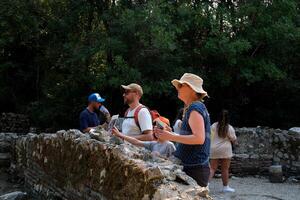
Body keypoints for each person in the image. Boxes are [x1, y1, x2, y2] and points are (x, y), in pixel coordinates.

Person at [154, 73, 211, 187]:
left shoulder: (195, 107)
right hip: (194, 167)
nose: (177, 88)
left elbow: (199, 139)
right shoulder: (194, 107)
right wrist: (169, 134)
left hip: (193, 168)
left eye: (181, 85)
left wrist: (170, 136)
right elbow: (193, 137)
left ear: (191, 88)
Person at [209, 110, 237, 193]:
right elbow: (234, 140)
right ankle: (225, 187)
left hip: (214, 149)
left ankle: (205, 185)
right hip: (225, 150)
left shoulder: (213, 126)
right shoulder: (229, 127)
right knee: (225, 169)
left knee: (212, 168)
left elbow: (210, 137)